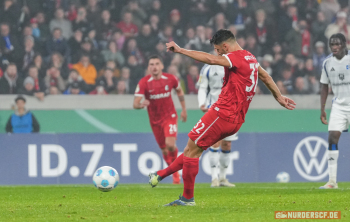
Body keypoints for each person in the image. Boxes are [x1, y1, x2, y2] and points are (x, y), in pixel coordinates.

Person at [148, 29, 296, 206]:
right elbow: (265, 76)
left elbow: (210, 60)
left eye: (218, 49)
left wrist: (181, 50)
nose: (217, 53)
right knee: (192, 149)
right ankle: (161, 175)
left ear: (225, 46)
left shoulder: (234, 57)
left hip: (222, 113)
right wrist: (278, 96)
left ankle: (188, 199)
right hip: (236, 119)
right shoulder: (250, 57)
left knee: (191, 149)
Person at [133, 55, 187, 184]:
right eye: (151, 64)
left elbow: (179, 91)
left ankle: (175, 175)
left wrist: (184, 109)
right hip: (155, 120)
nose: (154, 67)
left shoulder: (171, 79)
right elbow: (135, 104)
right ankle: (174, 170)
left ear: (162, 66)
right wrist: (141, 105)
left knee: (170, 145)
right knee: (164, 149)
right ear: (148, 67)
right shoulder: (144, 83)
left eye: (157, 64)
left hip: (170, 117)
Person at [197, 59, 238, 187]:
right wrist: (201, 103)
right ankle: (214, 178)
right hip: (213, 108)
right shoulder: (208, 67)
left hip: (231, 109)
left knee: (227, 144)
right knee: (215, 142)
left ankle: (223, 178)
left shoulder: (235, 65)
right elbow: (202, 87)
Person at [319, 33, 350, 189]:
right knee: (332, 137)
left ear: (344, 44)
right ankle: (332, 181)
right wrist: (322, 108)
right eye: (332, 44)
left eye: (337, 44)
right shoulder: (327, 63)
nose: (334, 47)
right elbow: (324, 86)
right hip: (339, 105)